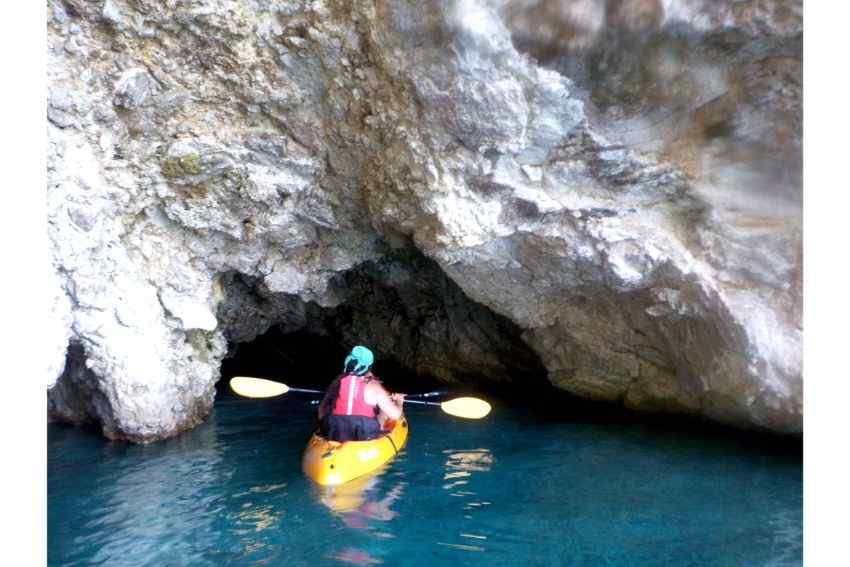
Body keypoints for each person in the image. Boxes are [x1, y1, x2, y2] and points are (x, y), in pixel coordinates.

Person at [317, 346, 405, 442]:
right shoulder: (374, 386)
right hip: (364, 434)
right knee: (382, 412)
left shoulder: (337, 381)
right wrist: (399, 402)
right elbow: (395, 415)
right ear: (368, 368)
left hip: (335, 431)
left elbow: (321, 412)